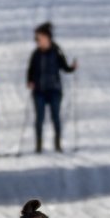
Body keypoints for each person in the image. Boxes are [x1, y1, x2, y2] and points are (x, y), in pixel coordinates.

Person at [26, 21, 76, 153]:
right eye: (36, 39)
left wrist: (72, 68)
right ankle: (38, 145)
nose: (37, 41)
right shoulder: (35, 54)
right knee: (39, 118)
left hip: (54, 89)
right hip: (39, 91)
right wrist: (30, 81)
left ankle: (57, 144)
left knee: (55, 117)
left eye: (39, 38)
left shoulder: (56, 52)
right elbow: (30, 70)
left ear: (47, 37)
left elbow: (65, 67)